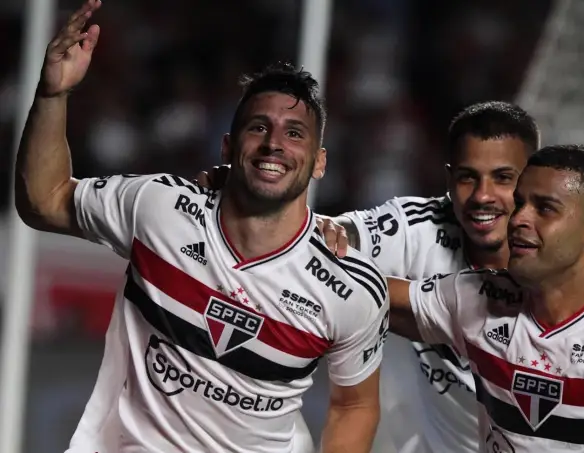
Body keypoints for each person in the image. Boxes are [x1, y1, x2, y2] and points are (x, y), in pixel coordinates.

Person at [15, 1, 388, 452]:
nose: (274, 144)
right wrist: (53, 95)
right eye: (259, 127)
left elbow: (354, 405)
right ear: (228, 147)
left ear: (320, 162)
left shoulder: (349, 286)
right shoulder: (159, 209)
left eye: (295, 133)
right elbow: (44, 201)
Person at [310, 102, 584, 453]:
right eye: (468, 177)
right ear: (449, 179)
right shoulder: (416, 229)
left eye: (503, 178)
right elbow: (321, 235)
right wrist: (326, 234)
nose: (482, 196)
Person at [388, 144, 584, 452]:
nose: (517, 219)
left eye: (544, 208)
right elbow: (368, 298)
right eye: (519, 203)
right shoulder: (478, 296)